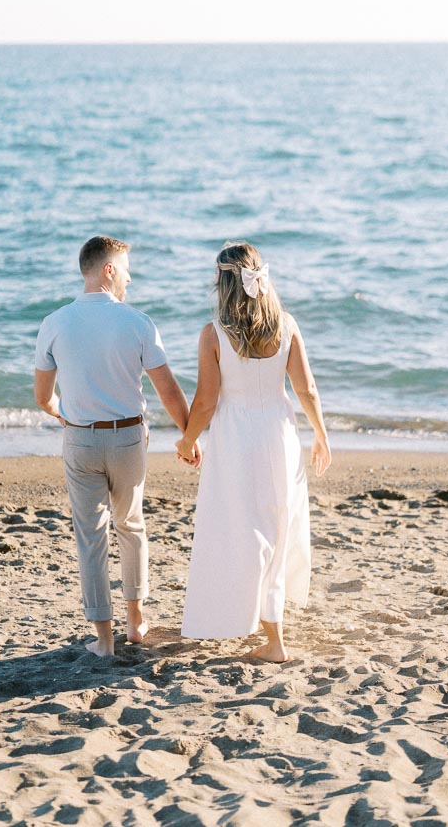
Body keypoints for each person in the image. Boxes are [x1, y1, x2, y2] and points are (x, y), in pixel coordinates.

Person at [34, 235, 196, 658]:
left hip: (80, 439)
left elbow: (42, 396)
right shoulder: (138, 322)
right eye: (125, 268)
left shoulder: (54, 322)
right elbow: (169, 392)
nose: (129, 276)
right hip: (127, 438)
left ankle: (104, 640)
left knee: (91, 537)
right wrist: (188, 437)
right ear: (107, 269)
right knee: (131, 526)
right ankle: (137, 622)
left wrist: (64, 414)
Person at [176, 241, 330, 662]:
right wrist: (321, 434)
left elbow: (206, 402)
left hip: (235, 439)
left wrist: (188, 440)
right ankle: (271, 631)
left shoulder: (213, 334)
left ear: (221, 283)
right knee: (277, 528)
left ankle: (271, 639)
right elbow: (306, 389)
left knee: (242, 530)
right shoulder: (287, 325)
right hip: (279, 435)